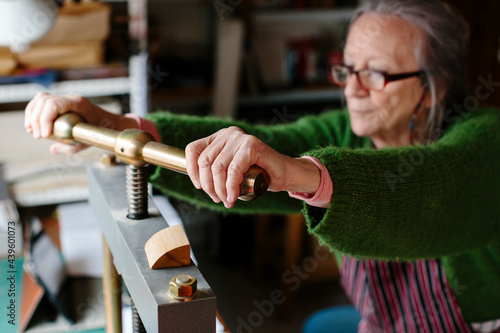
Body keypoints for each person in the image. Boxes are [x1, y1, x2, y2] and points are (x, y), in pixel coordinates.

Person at [25, 0, 500, 332]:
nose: (352, 89)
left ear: (432, 86)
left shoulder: (485, 139)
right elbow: (269, 148)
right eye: (347, 69)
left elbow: (428, 193)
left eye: (374, 74)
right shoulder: (350, 133)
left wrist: (299, 173)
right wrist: (113, 122)